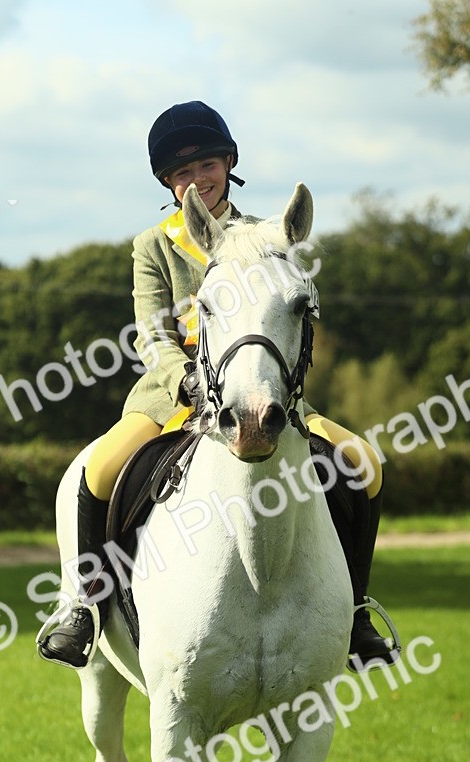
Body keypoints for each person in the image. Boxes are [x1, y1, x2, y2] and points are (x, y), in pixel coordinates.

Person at [39, 101, 397, 671]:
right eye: (182, 172)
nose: (197, 179)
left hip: (264, 393)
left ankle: (353, 611)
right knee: (98, 470)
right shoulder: (152, 247)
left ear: (228, 163)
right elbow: (151, 332)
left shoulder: (267, 237)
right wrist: (183, 378)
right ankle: (82, 605)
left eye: (207, 165)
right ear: (167, 181)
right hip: (172, 399)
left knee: (364, 466)